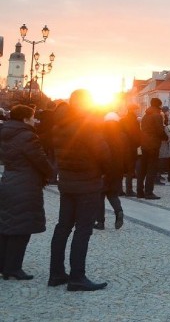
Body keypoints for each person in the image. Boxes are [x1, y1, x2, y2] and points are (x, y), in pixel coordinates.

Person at [49, 90, 111, 291]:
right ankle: (77, 277)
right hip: (87, 182)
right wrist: (104, 171)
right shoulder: (86, 125)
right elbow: (103, 153)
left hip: (67, 181)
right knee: (83, 229)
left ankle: (56, 273)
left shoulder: (59, 124)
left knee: (63, 227)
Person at [0, 105, 54, 280]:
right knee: (21, 228)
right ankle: (14, 268)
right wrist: (50, 173)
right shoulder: (27, 136)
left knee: (7, 225)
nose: (34, 120)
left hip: (9, 180)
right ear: (24, 119)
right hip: (25, 184)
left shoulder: (5, 133)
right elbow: (40, 160)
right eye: (32, 117)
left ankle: (4, 266)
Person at [95, 112, 125, 231]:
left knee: (100, 196)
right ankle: (119, 211)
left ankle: (100, 222)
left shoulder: (101, 135)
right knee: (112, 194)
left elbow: (98, 154)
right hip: (117, 169)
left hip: (103, 170)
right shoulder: (122, 135)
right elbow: (127, 154)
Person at [119, 105, 140, 196]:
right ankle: (129, 190)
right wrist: (137, 144)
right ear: (134, 110)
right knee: (130, 170)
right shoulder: (134, 121)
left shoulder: (122, 120)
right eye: (137, 110)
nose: (138, 111)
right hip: (131, 148)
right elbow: (136, 135)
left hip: (122, 148)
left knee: (120, 170)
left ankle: (119, 190)